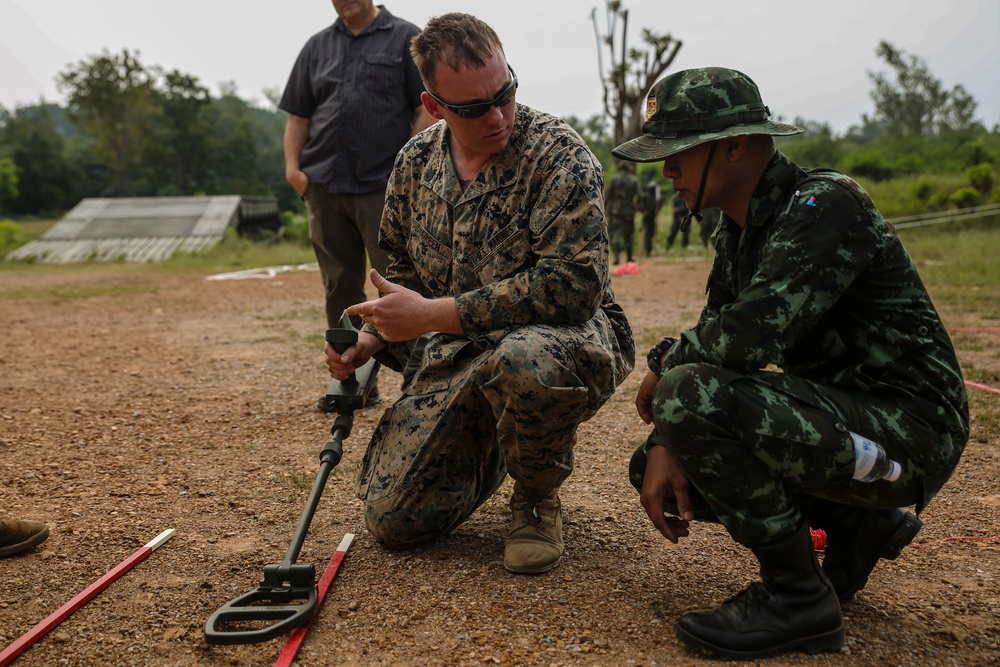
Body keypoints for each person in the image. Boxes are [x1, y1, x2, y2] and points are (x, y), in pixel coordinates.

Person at [612, 67, 968, 660]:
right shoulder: (739, 231)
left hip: (912, 430)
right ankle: (858, 524)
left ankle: (798, 597)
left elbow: (747, 336)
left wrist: (664, 365)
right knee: (659, 459)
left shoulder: (825, 203)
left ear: (732, 146)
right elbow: (716, 328)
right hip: (854, 424)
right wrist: (666, 439)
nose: (667, 170)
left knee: (684, 396)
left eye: (677, 153)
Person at [325, 12, 634, 575]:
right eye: (473, 108)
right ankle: (499, 434)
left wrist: (432, 315)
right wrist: (373, 336)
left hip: (563, 337)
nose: (498, 116)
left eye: (506, 93)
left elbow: (573, 286)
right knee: (393, 519)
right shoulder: (416, 163)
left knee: (528, 360)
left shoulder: (558, 155)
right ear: (436, 106)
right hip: (458, 350)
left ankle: (536, 493)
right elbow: (407, 271)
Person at [280, 0, 435, 409]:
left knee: (398, 283)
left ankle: (422, 383)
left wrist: (407, 165)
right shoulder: (316, 47)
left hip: (383, 186)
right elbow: (298, 117)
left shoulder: (406, 38)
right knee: (339, 287)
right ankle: (352, 381)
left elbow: (427, 107)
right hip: (324, 185)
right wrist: (294, 171)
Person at [605, 161, 640, 264]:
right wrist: (638, 206)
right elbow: (640, 195)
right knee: (629, 234)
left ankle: (616, 257)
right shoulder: (634, 180)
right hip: (629, 211)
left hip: (615, 211)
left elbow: (607, 196)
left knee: (615, 233)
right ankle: (629, 258)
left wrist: (605, 208)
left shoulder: (613, 179)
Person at [639, 178, 662, 257]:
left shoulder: (656, 197)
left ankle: (649, 250)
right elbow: (639, 204)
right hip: (646, 218)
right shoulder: (645, 196)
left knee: (651, 234)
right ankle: (644, 250)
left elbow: (659, 204)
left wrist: (657, 210)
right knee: (646, 233)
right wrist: (643, 211)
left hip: (652, 217)